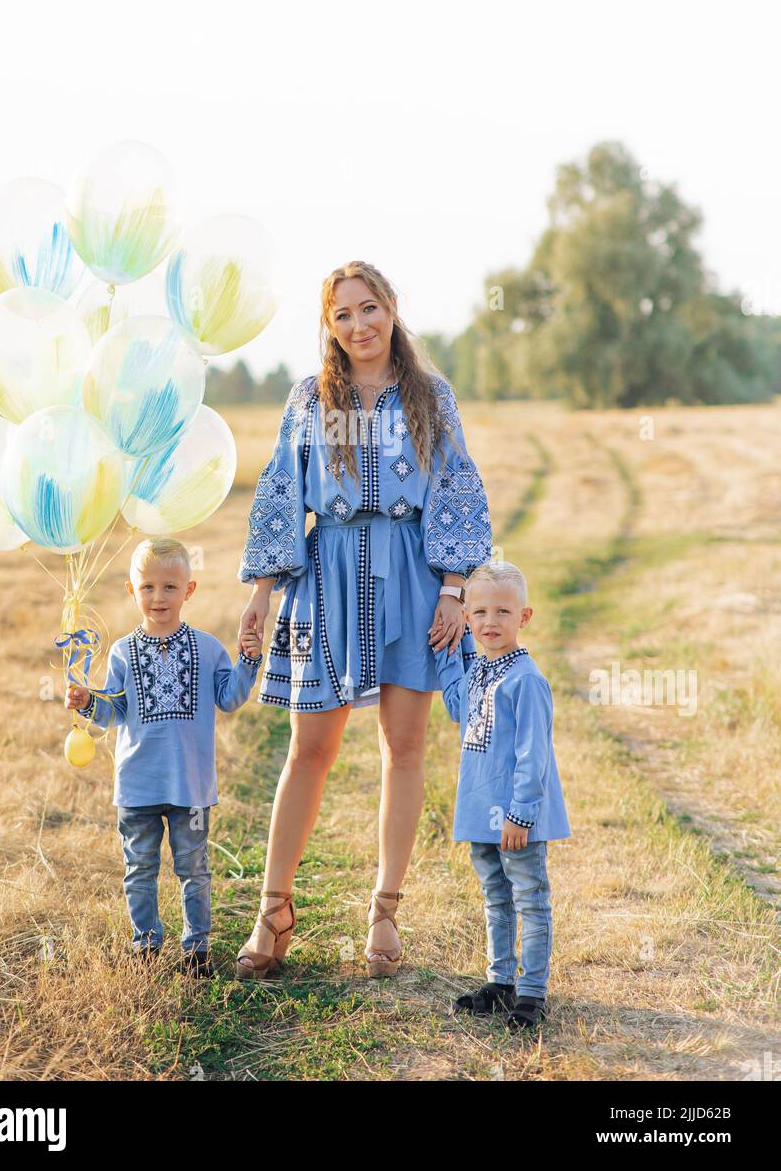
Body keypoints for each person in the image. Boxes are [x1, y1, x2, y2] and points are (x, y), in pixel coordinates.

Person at [235, 260, 492, 979]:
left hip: (411, 575)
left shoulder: (429, 396)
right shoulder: (309, 399)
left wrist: (452, 588)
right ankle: (273, 910)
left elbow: (456, 483)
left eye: (369, 308)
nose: (358, 326)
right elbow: (282, 492)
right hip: (325, 577)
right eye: (342, 314)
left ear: (392, 309)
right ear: (330, 325)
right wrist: (260, 595)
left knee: (403, 747)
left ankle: (384, 912)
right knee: (308, 750)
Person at [65, 536, 262, 976]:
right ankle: (146, 946)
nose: (159, 597)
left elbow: (229, 699)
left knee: (194, 869)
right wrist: (87, 701)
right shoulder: (121, 653)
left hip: (190, 787)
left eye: (170, 587)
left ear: (188, 591)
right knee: (139, 869)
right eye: (148, 587)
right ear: (132, 591)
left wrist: (248, 660)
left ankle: (196, 951)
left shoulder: (209, 649)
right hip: (137, 788)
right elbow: (114, 712)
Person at [432, 560, 570, 1030]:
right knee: (495, 894)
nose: (491, 623)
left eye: (503, 613)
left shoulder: (526, 680)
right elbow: (456, 708)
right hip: (479, 807)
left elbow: (535, 756)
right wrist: (448, 654)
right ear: (467, 617)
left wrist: (522, 813)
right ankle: (500, 980)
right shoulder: (478, 670)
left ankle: (531, 993)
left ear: (524, 617)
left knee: (529, 895)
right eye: (481, 613)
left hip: (516, 815)